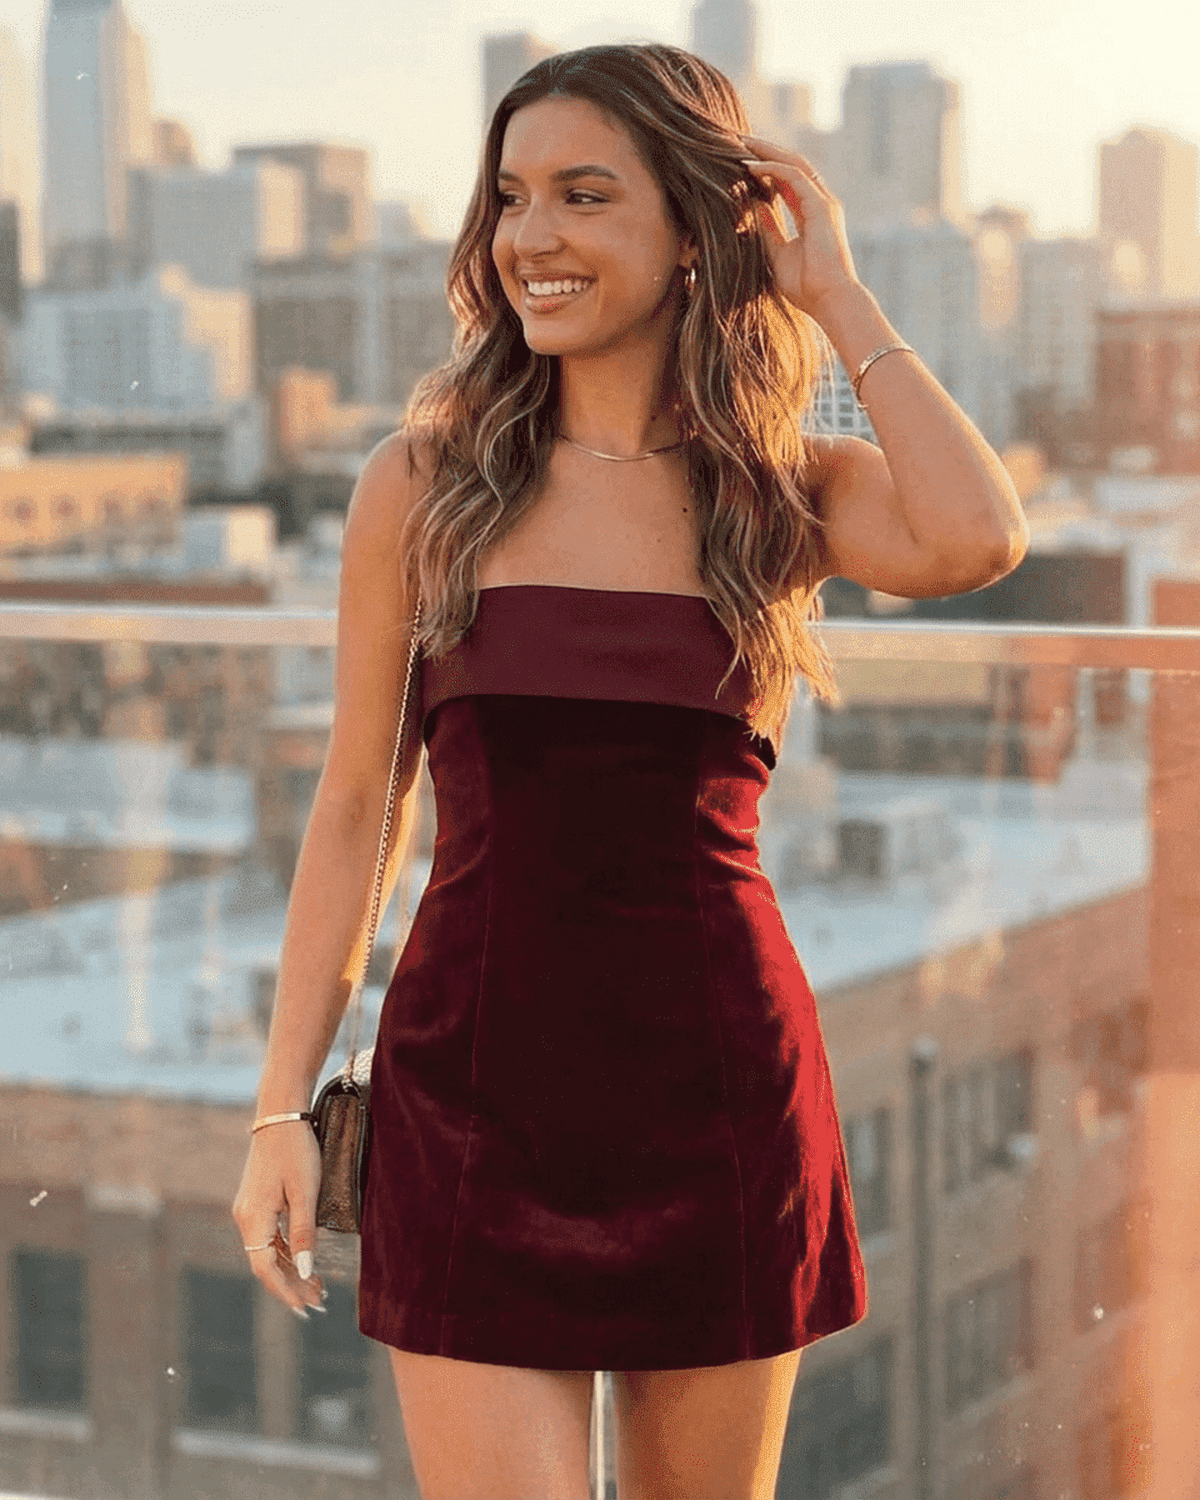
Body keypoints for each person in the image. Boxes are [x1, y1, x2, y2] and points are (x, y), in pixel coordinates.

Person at [233, 41, 1028, 1500]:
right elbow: (355, 810)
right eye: (513, 196)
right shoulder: (421, 487)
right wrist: (283, 1109)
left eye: (585, 195)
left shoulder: (786, 488)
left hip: (718, 1098)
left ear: (696, 230)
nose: (532, 237)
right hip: (468, 1100)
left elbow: (980, 538)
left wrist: (834, 291)